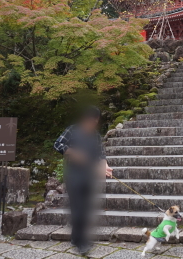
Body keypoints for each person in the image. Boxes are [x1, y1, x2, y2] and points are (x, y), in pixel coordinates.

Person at [54, 106, 113, 255]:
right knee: (78, 208)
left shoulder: (96, 136)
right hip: (73, 175)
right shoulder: (72, 130)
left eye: (94, 121)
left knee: (85, 209)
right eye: (89, 120)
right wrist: (74, 152)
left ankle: (76, 237)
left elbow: (100, 155)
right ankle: (81, 243)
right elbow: (58, 144)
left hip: (89, 176)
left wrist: (105, 167)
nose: (91, 124)